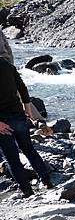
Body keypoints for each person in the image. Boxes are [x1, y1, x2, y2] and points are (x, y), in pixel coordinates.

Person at [0, 56, 53, 198]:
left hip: (2, 122)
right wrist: (28, 111)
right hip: (18, 115)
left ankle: (27, 191)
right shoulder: (6, 64)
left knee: (12, 158)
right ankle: (46, 181)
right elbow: (22, 88)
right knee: (29, 149)